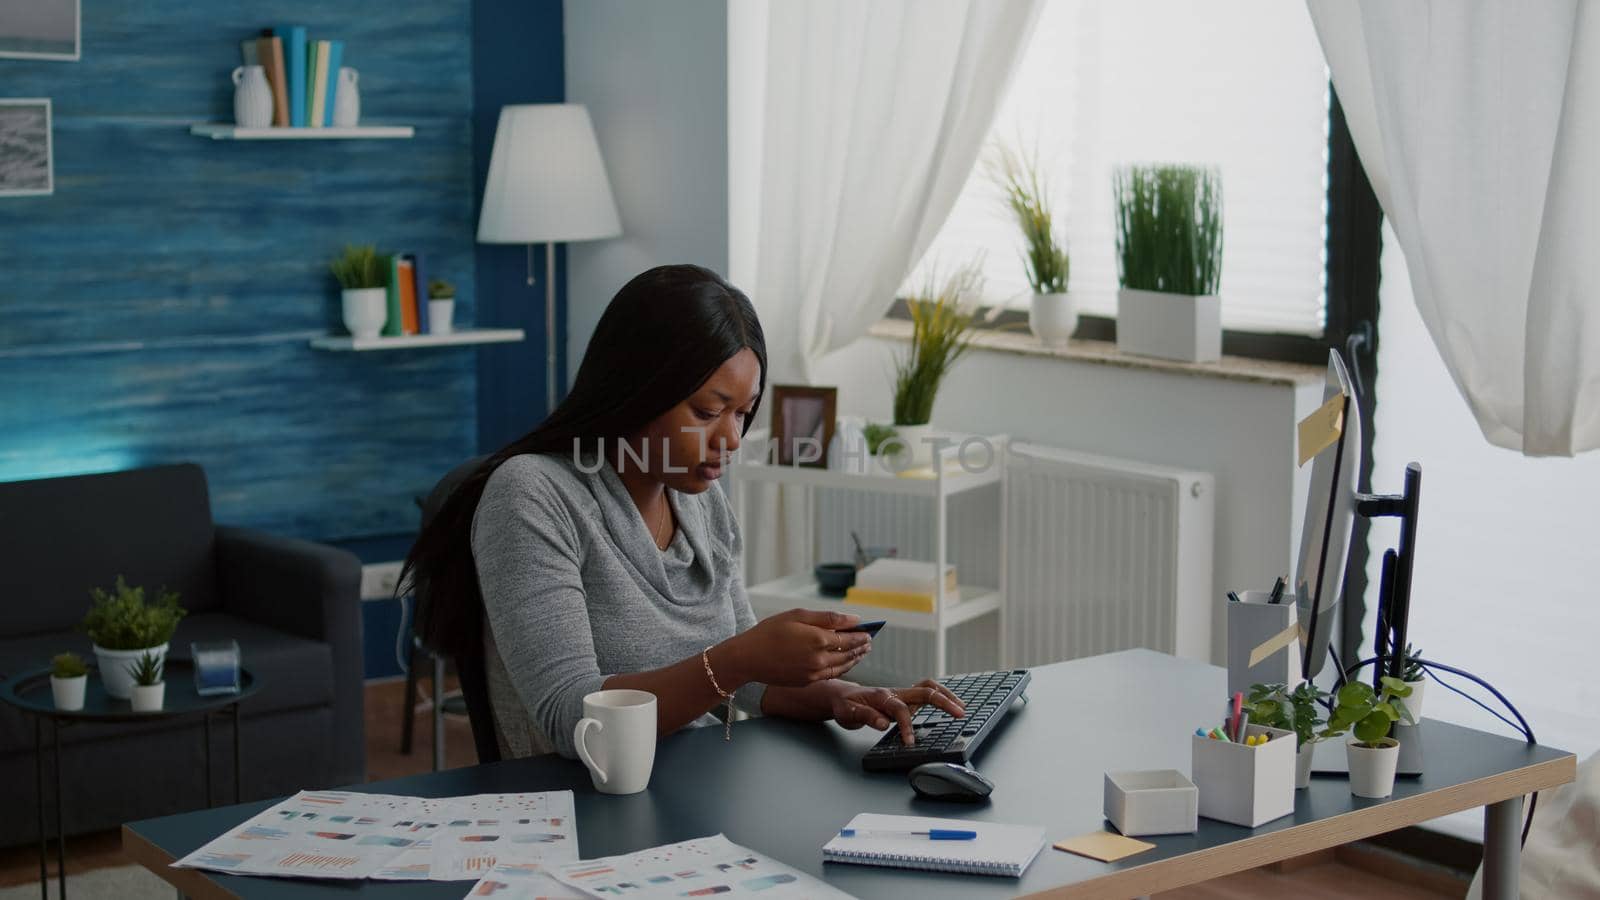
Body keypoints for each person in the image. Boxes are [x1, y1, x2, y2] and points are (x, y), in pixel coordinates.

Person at [402, 264, 964, 759]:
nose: (732, 438)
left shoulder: (696, 497)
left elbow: (743, 681)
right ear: (638, 388)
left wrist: (845, 697)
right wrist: (742, 657)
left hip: (692, 790)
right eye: (707, 411)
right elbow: (574, 720)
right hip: (578, 815)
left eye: (742, 413)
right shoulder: (531, 496)